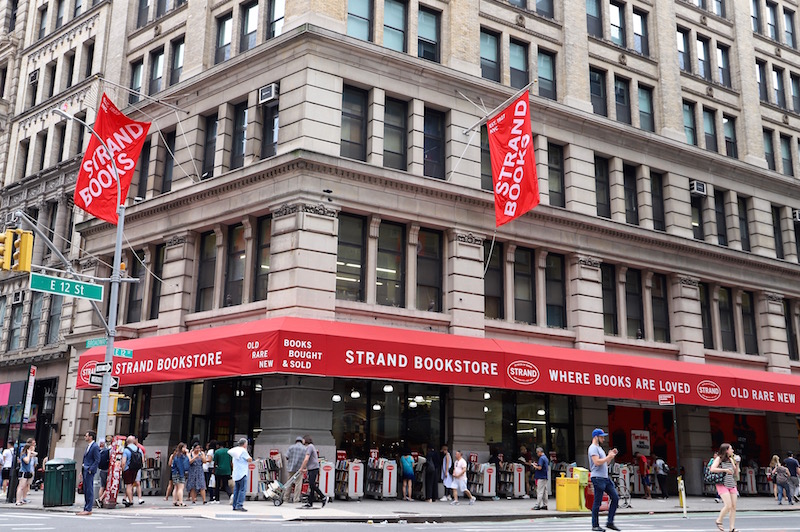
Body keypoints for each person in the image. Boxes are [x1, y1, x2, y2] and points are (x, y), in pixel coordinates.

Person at [588, 428, 621, 532]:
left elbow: (605, 463)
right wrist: (608, 457)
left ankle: (610, 522)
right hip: (598, 478)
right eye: (601, 436)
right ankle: (595, 525)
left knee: (615, 497)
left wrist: (610, 456)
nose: (603, 438)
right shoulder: (593, 448)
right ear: (596, 437)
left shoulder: (599, 448)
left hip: (604, 478)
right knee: (597, 502)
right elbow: (597, 462)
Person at [709, 442, 739, 532]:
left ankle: (732, 528)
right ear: (726, 450)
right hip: (722, 483)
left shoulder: (731, 459)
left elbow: (735, 473)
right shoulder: (719, 458)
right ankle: (719, 520)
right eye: (731, 449)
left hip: (731, 483)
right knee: (728, 505)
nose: (732, 450)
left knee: (733, 507)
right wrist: (724, 470)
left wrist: (736, 464)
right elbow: (712, 469)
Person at [298, 435, 327, 508]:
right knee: (311, 485)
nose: (302, 441)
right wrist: (306, 469)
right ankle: (310, 503)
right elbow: (312, 460)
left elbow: (306, 459)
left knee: (312, 484)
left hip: (313, 468)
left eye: (303, 439)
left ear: (306, 440)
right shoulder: (310, 447)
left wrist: (302, 468)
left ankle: (323, 496)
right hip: (312, 468)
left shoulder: (310, 447)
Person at [77, 431, 100, 516]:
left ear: (90, 437)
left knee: (89, 489)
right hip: (85, 469)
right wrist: (81, 471)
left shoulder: (95, 447)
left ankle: (88, 508)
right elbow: (85, 459)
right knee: (86, 489)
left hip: (89, 470)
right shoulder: (88, 446)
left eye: (86, 436)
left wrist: (91, 469)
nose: (85, 437)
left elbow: (97, 459)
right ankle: (86, 508)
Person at [229, 438, 253, 511]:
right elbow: (249, 459)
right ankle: (240, 505)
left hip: (236, 473)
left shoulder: (235, 451)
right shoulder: (243, 451)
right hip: (242, 472)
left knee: (236, 489)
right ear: (245, 444)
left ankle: (234, 505)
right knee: (242, 490)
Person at [121, 436, 143, 507]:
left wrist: (122, 469)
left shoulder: (126, 450)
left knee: (128, 485)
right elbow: (142, 460)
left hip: (128, 469)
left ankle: (130, 501)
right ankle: (130, 499)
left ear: (127, 442)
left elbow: (123, 462)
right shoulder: (139, 449)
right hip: (135, 469)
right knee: (132, 484)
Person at [15, 439, 37, 506]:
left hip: (28, 472)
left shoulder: (28, 455)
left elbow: (36, 454)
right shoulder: (24, 455)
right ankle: (18, 500)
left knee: (25, 486)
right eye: (30, 449)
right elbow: (26, 461)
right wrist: (29, 453)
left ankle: (22, 499)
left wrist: (31, 452)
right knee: (21, 486)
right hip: (23, 472)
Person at [284, 436, 305, 503]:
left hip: (291, 468)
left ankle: (286, 498)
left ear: (296, 441)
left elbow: (287, 457)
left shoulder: (291, 447)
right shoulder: (304, 448)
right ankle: (296, 499)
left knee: (289, 483)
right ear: (302, 441)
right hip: (299, 469)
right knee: (298, 484)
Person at [171, 442, 189, 506]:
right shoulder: (182, 456)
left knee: (176, 487)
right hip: (180, 473)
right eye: (185, 447)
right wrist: (187, 454)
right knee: (181, 487)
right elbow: (186, 463)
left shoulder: (175, 455)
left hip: (175, 472)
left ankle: (174, 501)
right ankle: (181, 501)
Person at [95, 439, 110, 506]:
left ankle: (101, 501)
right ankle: (100, 499)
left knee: (102, 486)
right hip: (107, 470)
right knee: (108, 486)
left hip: (102, 470)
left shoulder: (98, 451)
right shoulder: (107, 451)